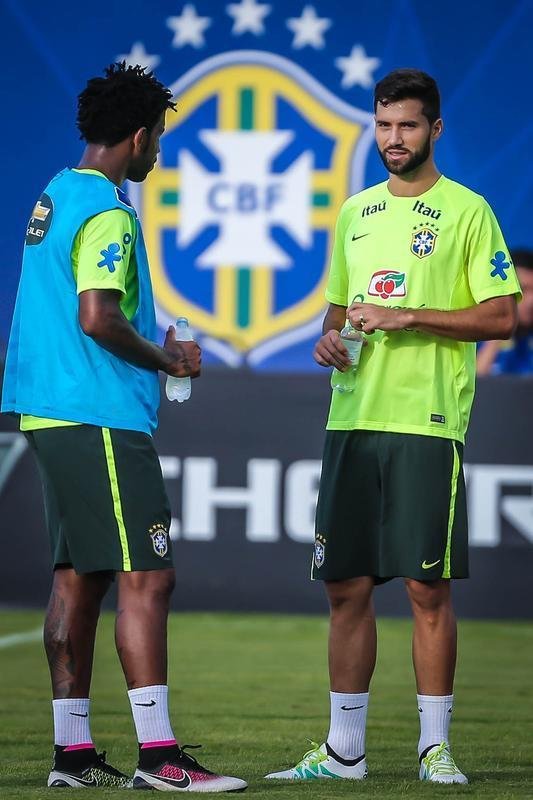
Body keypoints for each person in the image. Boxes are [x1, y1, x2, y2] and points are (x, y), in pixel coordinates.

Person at [265, 68, 520, 785]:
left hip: (426, 422)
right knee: (344, 587)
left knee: (424, 590)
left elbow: (500, 314)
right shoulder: (355, 213)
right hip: (351, 417)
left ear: (434, 130)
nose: (392, 139)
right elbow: (338, 312)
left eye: (406, 126)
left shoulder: (468, 211)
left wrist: (409, 316)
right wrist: (327, 339)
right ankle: (344, 751)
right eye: (382, 125)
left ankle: (433, 748)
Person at [1, 63, 246, 793]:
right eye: (159, 140)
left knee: (80, 577)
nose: (158, 153)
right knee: (150, 573)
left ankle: (72, 754)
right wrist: (167, 358)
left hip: (50, 410)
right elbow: (97, 316)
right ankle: (160, 757)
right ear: (139, 136)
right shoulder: (109, 210)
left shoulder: (54, 193)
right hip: (97, 413)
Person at [477, 248, 533, 374]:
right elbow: (476, 382)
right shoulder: (478, 332)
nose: (531, 301)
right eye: (523, 290)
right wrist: (502, 326)